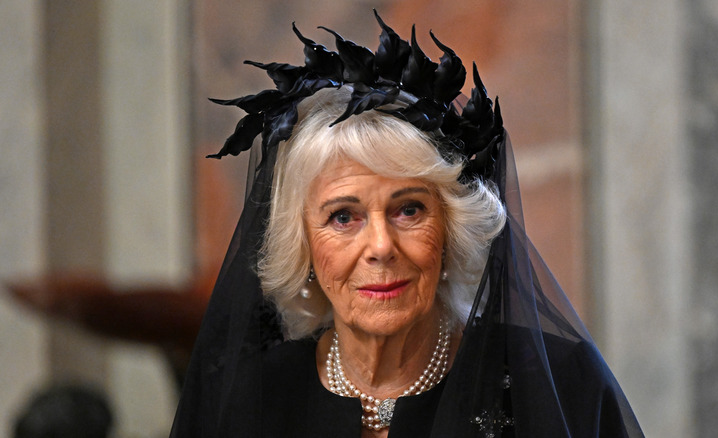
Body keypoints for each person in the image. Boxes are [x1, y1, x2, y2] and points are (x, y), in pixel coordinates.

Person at [170, 11, 643, 437]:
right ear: (304, 245)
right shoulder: (244, 403)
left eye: (409, 210)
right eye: (343, 217)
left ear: (451, 228)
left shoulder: (561, 385)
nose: (380, 246)